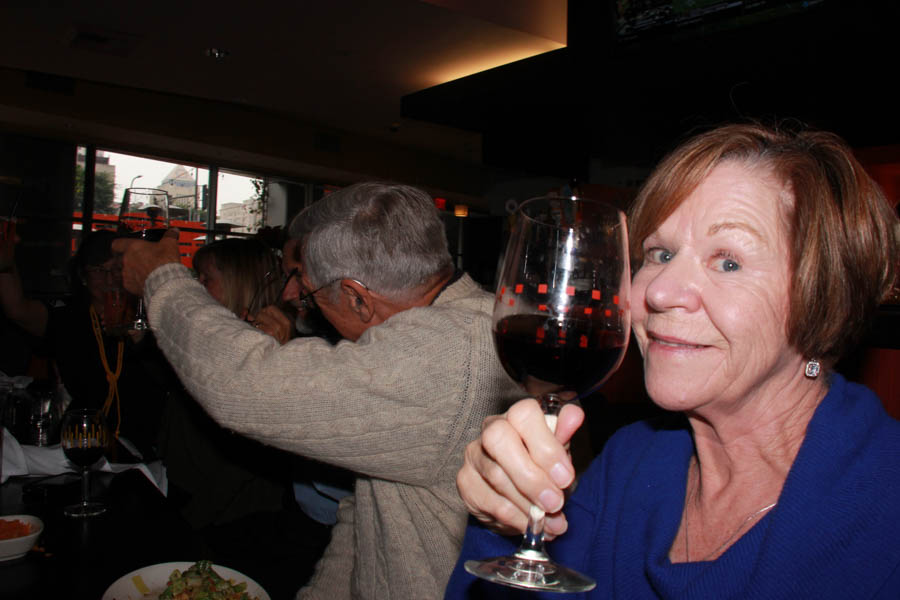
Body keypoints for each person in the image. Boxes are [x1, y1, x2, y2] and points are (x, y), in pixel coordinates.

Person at [446, 123, 900, 599]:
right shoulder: (631, 463)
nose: (659, 292)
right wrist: (506, 522)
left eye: (728, 262)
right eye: (660, 254)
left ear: (824, 296)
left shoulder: (883, 505)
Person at [113, 182, 522, 599]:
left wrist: (163, 279)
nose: (292, 296)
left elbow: (242, 383)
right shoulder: (457, 327)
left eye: (307, 291)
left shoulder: (447, 354)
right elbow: (368, 519)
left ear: (358, 298)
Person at [0, 228, 175, 457]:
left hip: (144, 444)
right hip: (82, 438)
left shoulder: (149, 318)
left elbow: (168, 379)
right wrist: (5, 265)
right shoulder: (69, 319)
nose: (109, 279)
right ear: (83, 277)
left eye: (116, 269)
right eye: (99, 270)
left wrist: (140, 338)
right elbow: (17, 309)